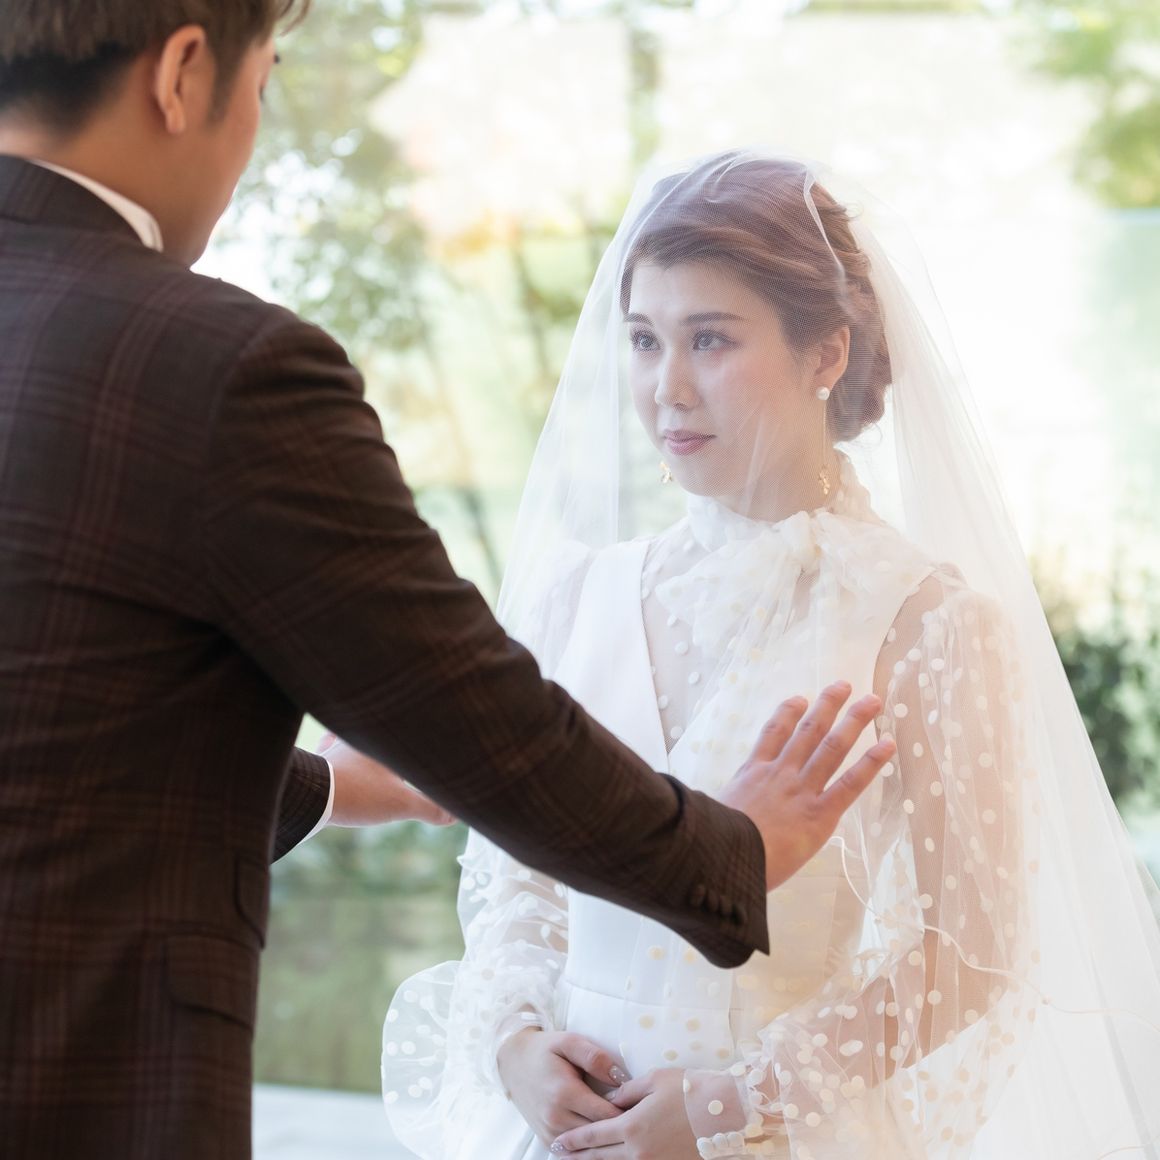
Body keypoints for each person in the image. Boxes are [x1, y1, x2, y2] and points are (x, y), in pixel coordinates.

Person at [0, 9, 897, 1160]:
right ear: (183, 74)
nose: (668, 383)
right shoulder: (210, 367)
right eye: (263, 85)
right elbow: (482, 725)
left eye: (709, 339)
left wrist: (328, 783)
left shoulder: (908, 608)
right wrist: (733, 854)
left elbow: (62, 713)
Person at [382, 152, 1160, 1159]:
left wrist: (731, 1101)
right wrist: (515, 1045)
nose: (667, 387)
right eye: (644, 339)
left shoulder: (924, 622)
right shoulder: (575, 598)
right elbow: (514, 875)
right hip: (555, 1135)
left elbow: (968, 954)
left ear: (824, 352)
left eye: (709, 339)